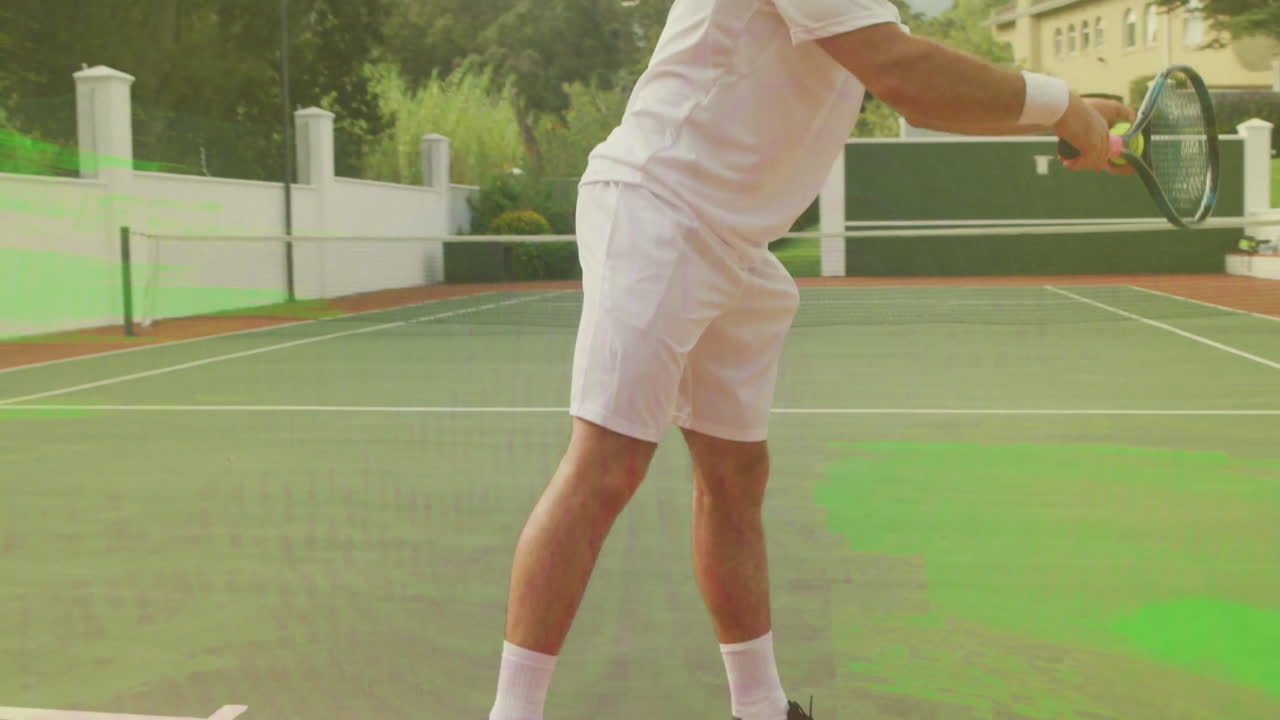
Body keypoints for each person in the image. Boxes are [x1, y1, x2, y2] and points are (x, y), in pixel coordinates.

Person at [486, 1, 1135, 719]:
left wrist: (1060, 117)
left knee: (736, 477)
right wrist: (1059, 103)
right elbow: (904, 76)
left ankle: (759, 707)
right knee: (607, 462)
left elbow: (915, 69)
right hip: (659, 208)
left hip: (736, 241)